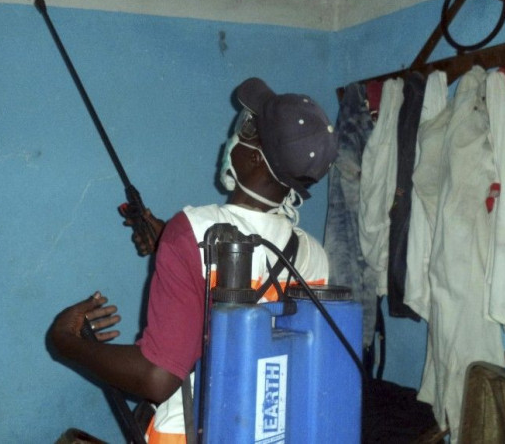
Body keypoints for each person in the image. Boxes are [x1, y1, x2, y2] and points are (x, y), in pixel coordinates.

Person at [46, 77, 338, 442]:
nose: (234, 136)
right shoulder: (313, 254)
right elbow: (255, 303)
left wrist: (65, 342)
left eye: (247, 129)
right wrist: (171, 243)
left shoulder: (192, 230)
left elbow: (158, 377)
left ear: (252, 159)